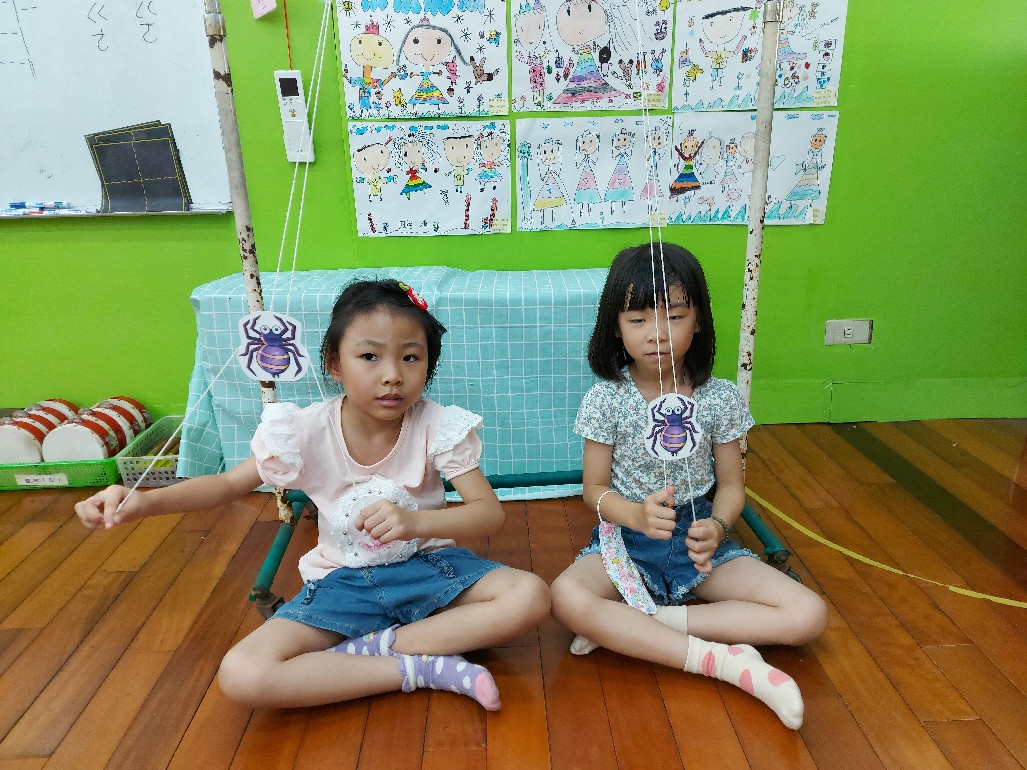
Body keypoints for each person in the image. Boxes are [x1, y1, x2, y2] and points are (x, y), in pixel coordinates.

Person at [76, 279, 551, 712]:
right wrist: (143, 500)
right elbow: (227, 484)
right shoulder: (302, 430)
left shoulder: (437, 425)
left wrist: (416, 523)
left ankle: (369, 651)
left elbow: (488, 514)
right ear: (334, 364)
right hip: (343, 584)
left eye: (411, 357)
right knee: (243, 672)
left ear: (428, 364)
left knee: (530, 596)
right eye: (370, 357)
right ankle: (420, 667)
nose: (392, 375)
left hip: (429, 569)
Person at [549, 244, 827, 729]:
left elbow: (732, 486)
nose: (656, 334)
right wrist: (634, 515)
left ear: (698, 321)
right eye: (637, 320)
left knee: (809, 614)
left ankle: (640, 624)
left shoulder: (720, 397)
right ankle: (721, 661)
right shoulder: (605, 399)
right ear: (614, 326)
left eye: (674, 317)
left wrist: (718, 526)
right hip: (628, 540)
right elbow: (594, 489)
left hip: (698, 540)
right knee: (564, 597)